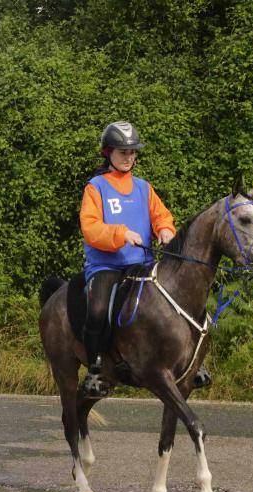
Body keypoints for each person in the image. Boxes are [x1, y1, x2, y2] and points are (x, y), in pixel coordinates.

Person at [79, 121, 176, 399]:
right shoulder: (95, 187)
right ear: (108, 152)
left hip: (142, 264)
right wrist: (121, 233)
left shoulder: (144, 188)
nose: (129, 157)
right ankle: (94, 369)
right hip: (106, 265)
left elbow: (161, 215)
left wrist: (165, 229)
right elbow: (90, 228)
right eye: (123, 152)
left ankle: (186, 360)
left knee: (174, 299)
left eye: (132, 152)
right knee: (98, 311)